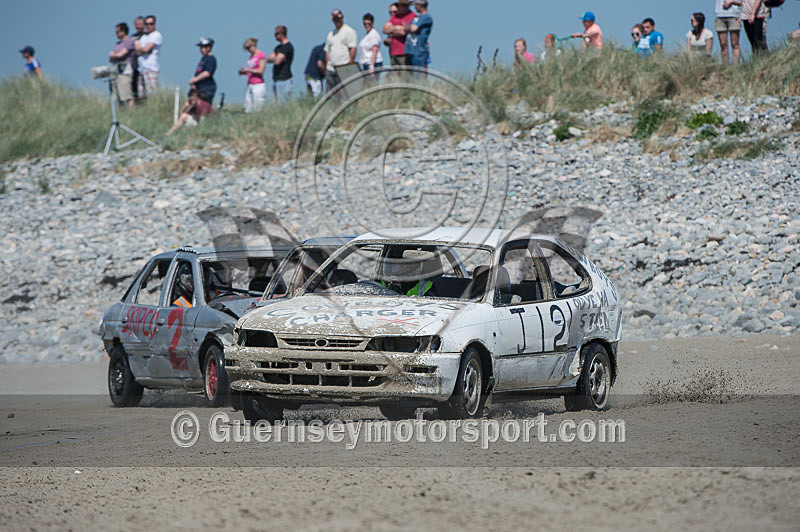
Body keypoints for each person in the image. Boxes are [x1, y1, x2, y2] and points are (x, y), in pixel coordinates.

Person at [324, 9, 357, 93]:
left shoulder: (349, 31)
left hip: (343, 67)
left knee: (344, 94)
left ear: (342, 18)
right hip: (331, 68)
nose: (337, 21)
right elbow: (328, 50)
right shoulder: (331, 34)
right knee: (331, 95)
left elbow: (352, 48)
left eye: (338, 18)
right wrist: (328, 64)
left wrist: (350, 64)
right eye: (335, 19)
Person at [108, 23, 136, 110]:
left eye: (118, 31)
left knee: (127, 94)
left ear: (123, 31)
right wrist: (114, 55)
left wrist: (114, 55)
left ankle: (131, 112)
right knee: (117, 95)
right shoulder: (118, 44)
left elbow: (121, 54)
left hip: (125, 71)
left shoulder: (129, 41)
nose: (116, 33)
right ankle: (121, 113)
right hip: (116, 71)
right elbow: (110, 57)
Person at [135, 15, 163, 99]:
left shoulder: (156, 35)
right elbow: (137, 51)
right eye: (146, 24)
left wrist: (142, 49)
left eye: (151, 23)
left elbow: (146, 49)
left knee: (152, 94)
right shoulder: (143, 37)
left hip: (151, 68)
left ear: (155, 24)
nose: (148, 26)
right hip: (141, 68)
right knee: (141, 95)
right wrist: (142, 49)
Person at [383, 0, 416, 67]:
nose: (404, 7)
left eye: (406, 5)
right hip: (393, 52)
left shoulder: (412, 16)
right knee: (394, 76)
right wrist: (398, 28)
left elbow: (404, 32)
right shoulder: (395, 16)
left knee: (404, 75)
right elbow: (384, 29)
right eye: (402, 5)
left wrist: (392, 30)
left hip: (405, 52)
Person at [268, 25, 294, 103]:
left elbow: (277, 61)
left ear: (281, 34)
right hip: (276, 79)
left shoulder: (287, 47)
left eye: (276, 34)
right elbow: (269, 59)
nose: (274, 36)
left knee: (283, 104)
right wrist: (276, 58)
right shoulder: (278, 48)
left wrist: (276, 58)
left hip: (285, 80)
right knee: (276, 103)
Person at [240, 38, 267, 112]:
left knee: (258, 108)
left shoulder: (261, 55)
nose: (248, 50)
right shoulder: (251, 56)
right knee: (248, 107)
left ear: (254, 45)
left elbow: (261, 71)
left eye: (248, 48)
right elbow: (252, 70)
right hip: (250, 84)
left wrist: (248, 70)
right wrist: (244, 72)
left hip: (258, 85)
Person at [404, 0, 433, 68]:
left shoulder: (427, 18)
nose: (415, 7)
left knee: (418, 75)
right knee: (409, 76)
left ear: (420, 5)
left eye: (415, 5)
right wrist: (408, 28)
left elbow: (414, 28)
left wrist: (409, 28)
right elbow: (405, 28)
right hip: (410, 51)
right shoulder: (416, 18)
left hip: (419, 52)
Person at [190, 38, 216, 103]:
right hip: (199, 87)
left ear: (209, 48)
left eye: (203, 47)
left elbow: (207, 72)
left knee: (203, 107)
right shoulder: (204, 58)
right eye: (201, 47)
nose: (201, 49)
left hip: (206, 88)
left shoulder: (211, 59)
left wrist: (196, 79)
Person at [131, 16, 145, 99]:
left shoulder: (147, 36)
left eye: (140, 24)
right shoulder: (133, 37)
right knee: (134, 88)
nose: (138, 26)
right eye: (136, 24)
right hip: (134, 66)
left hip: (144, 66)